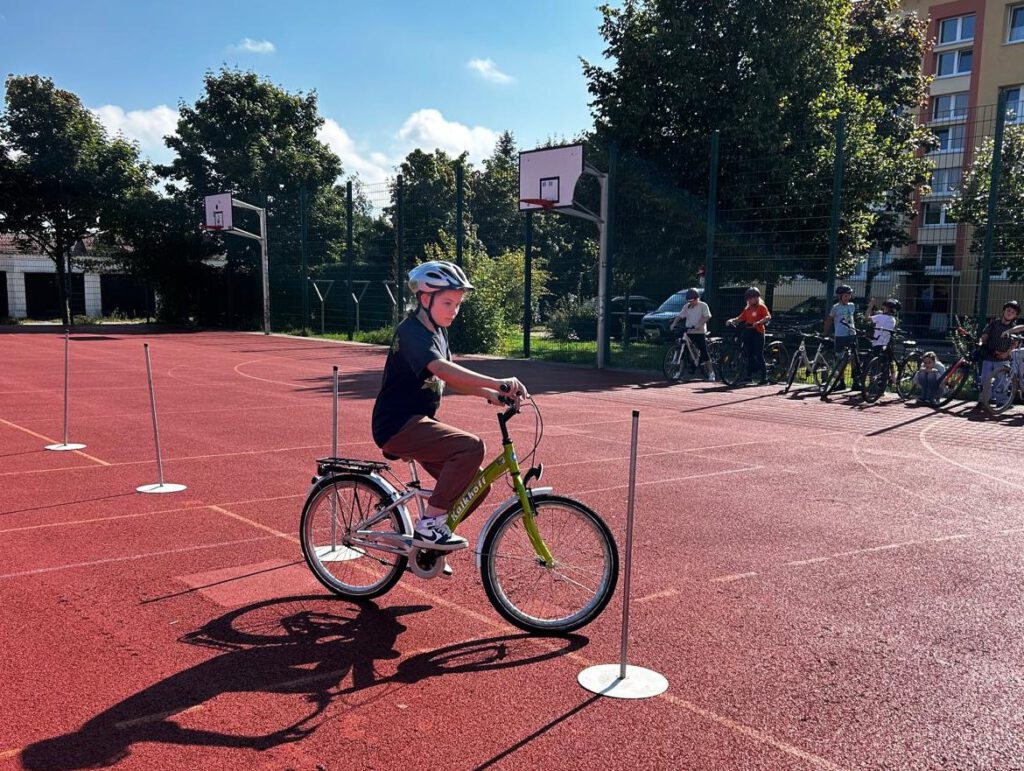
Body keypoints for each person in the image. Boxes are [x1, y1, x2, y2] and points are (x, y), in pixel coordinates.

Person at [371, 260, 529, 552]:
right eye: (447, 303)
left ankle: (427, 545)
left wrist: (490, 394)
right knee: (471, 447)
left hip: (418, 423)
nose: (453, 311)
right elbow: (441, 369)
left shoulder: (438, 332)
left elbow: (450, 380)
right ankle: (429, 527)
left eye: (457, 304)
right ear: (425, 299)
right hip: (398, 425)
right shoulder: (411, 331)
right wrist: (497, 382)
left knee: (476, 487)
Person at [976, 300, 1020, 407]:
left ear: (1015, 316)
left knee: (1002, 381)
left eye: (1013, 312)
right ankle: (983, 400)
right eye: (1008, 310)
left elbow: (1015, 344)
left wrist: (1007, 353)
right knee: (985, 379)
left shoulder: (1014, 328)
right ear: (1003, 311)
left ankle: (1001, 401)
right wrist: (981, 342)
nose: (1009, 313)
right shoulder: (994, 323)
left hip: (1003, 358)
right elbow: (985, 335)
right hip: (989, 355)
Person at [726, 287, 771, 384]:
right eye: (748, 298)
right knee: (749, 354)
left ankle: (765, 377)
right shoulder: (747, 309)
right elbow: (740, 318)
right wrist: (732, 320)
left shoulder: (761, 307)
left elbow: (768, 317)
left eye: (751, 298)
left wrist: (758, 322)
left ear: (757, 298)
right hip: (749, 332)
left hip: (758, 332)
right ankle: (748, 377)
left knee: (758, 354)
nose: (749, 300)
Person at [668, 288, 715, 380]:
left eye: (692, 300)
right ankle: (679, 372)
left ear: (697, 298)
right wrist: (673, 324)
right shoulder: (687, 306)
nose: (691, 302)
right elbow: (680, 316)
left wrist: (699, 325)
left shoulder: (703, 305)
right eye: (689, 301)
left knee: (704, 352)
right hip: (689, 331)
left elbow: (707, 316)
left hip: (699, 332)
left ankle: (711, 373)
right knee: (683, 351)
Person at [824, 285, 860, 384]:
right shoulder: (835, 307)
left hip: (852, 334)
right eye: (845, 296)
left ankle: (855, 381)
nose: (848, 298)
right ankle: (841, 381)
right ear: (839, 296)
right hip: (840, 335)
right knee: (840, 359)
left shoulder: (852, 305)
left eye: (849, 296)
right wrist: (825, 333)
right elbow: (829, 320)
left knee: (854, 358)